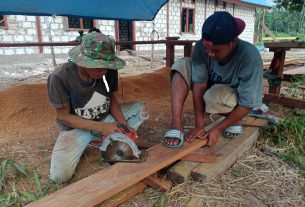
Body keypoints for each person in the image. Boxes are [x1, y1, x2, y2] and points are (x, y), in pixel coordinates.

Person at [47, 32, 148, 183]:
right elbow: (64, 117)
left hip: (105, 118)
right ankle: (101, 136)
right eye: (99, 67)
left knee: (141, 108)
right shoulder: (60, 77)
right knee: (59, 177)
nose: (104, 71)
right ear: (82, 62)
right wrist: (102, 127)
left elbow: (110, 96)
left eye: (107, 66)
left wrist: (123, 124)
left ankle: (114, 141)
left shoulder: (107, 70)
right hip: (77, 127)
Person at [163, 11, 263, 148]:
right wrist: (199, 126)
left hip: (230, 96)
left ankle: (234, 120)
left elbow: (247, 103)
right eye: (206, 48)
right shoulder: (200, 48)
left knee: (213, 96)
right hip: (210, 88)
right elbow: (199, 86)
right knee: (182, 65)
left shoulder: (250, 57)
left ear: (233, 42)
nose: (209, 53)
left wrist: (216, 129)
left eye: (216, 50)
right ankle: (176, 124)